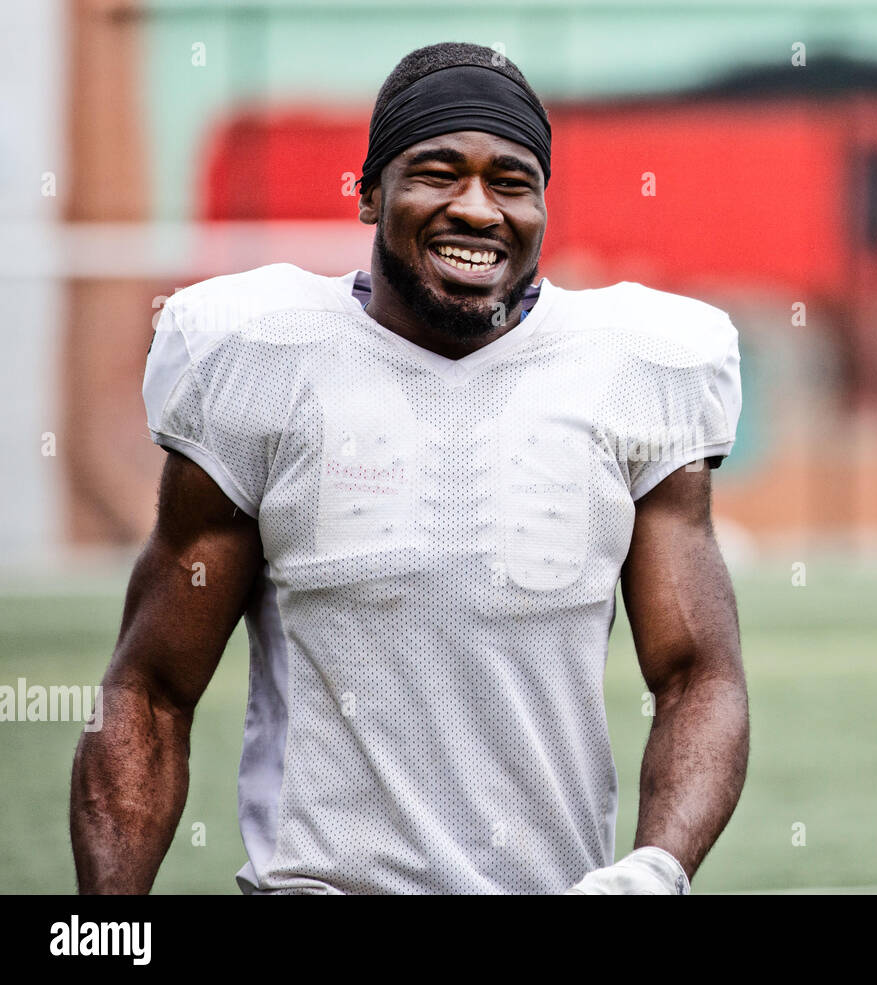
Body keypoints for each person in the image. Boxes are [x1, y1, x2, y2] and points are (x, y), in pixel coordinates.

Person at [70, 41, 747, 895]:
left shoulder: (632, 370)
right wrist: (103, 927)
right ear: (369, 194)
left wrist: (654, 870)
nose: (478, 208)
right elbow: (152, 689)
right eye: (437, 172)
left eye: (511, 181)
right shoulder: (265, 360)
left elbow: (698, 673)